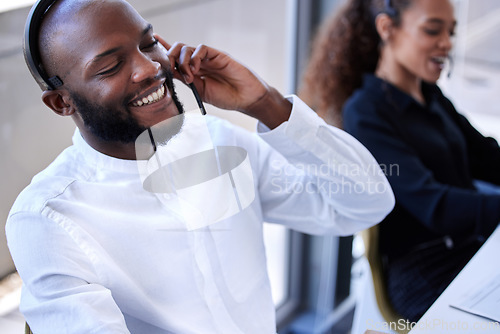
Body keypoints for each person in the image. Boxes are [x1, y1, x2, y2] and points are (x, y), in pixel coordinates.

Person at [6, 0, 395, 333]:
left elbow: (365, 203)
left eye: (148, 44)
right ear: (62, 103)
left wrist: (266, 103)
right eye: (110, 67)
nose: (148, 69)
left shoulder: (217, 140)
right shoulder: (47, 219)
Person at [300, 0, 500, 322]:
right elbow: (436, 207)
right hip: (425, 271)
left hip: (467, 246)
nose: (446, 43)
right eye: (433, 30)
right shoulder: (365, 113)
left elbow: (487, 158)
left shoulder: (430, 95)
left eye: (450, 32)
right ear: (387, 28)